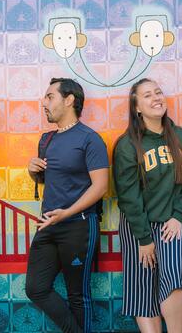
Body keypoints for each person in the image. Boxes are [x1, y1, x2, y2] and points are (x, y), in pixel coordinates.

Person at [113, 78, 182, 333]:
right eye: (148, 95)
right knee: (142, 286)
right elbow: (128, 195)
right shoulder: (127, 144)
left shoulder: (180, 136)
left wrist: (178, 216)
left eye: (158, 92)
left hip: (171, 223)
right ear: (137, 107)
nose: (156, 98)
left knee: (172, 278)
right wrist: (143, 239)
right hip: (137, 227)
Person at [25, 78, 109, 333]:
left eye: (50, 96)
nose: (44, 102)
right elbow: (46, 178)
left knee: (78, 295)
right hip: (48, 225)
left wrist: (67, 213)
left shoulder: (90, 139)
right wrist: (32, 171)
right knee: (35, 288)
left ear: (69, 99)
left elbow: (100, 186)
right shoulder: (46, 139)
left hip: (78, 226)